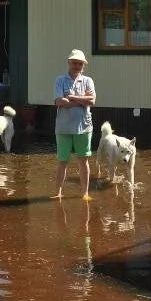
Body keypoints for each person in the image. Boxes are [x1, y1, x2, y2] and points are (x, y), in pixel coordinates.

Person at [52, 49, 96, 201]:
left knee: (83, 160)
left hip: (83, 126)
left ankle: (85, 193)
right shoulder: (60, 80)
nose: (77, 66)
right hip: (63, 127)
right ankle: (58, 192)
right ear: (69, 63)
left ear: (83, 65)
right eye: (74, 63)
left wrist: (70, 97)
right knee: (62, 161)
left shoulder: (88, 81)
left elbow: (92, 100)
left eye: (80, 63)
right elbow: (59, 101)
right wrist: (81, 100)